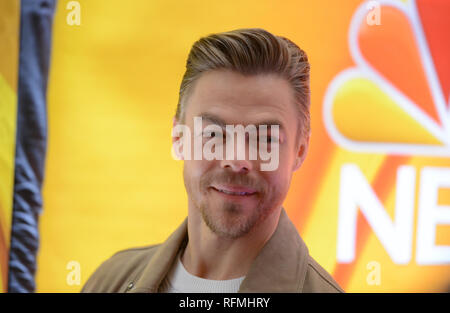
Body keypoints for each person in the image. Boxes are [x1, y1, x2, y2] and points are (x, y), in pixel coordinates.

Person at [81, 28, 343, 293]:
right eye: (214, 133)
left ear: (300, 150)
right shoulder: (109, 282)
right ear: (178, 139)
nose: (236, 159)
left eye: (265, 138)